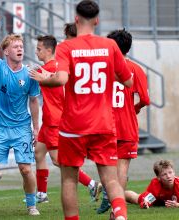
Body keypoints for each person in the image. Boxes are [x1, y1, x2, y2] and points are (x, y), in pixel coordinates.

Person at [29, 1, 133, 219]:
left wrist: (43, 80)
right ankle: (121, 215)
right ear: (97, 20)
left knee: (68, 179)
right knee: (111, 179)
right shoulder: (110, 46)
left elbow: (61, 79)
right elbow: (128, 81)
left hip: (73, 126)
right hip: (103, 123)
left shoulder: (67, 47)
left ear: (76, 19)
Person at [0, 17, 41, 216]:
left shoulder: (30, 74)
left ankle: (32, 205)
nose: (20, 49)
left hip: (22, 127)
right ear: (6, 51)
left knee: (25, 169)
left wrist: (36, 127)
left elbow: (33, 101)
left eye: (21, 46)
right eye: (15, 46)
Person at [34, 35, 102, 203]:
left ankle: (91, 183)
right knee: (38, 153)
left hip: (53, 121)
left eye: (39, 49)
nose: (36, 52)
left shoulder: (47, 71)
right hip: (53, 119)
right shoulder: (61, 67)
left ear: (49, 50)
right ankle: (42, 194)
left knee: (59, 161)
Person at [97, 29, 150, 214]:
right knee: (122, 169)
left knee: (105, 167)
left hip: (104, 125)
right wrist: (133, 109)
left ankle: (109, 195)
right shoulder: (136, 69)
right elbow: (145, 99)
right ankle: (116, 208)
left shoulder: (102, 68)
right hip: (127, 126)